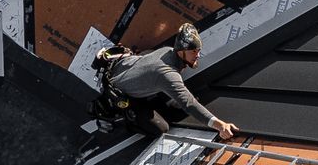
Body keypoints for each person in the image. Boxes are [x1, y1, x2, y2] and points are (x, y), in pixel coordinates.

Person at [98, 22, 238, 139]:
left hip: (122, 70)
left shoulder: (168, 50)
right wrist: (220, 125)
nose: (198, 55)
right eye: (193, 52)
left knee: (150, 57)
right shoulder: (168, 75)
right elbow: (189, 104)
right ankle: (126, 119)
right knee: (161, 129)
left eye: (198, 50)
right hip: (121, 93)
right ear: (181, 51)